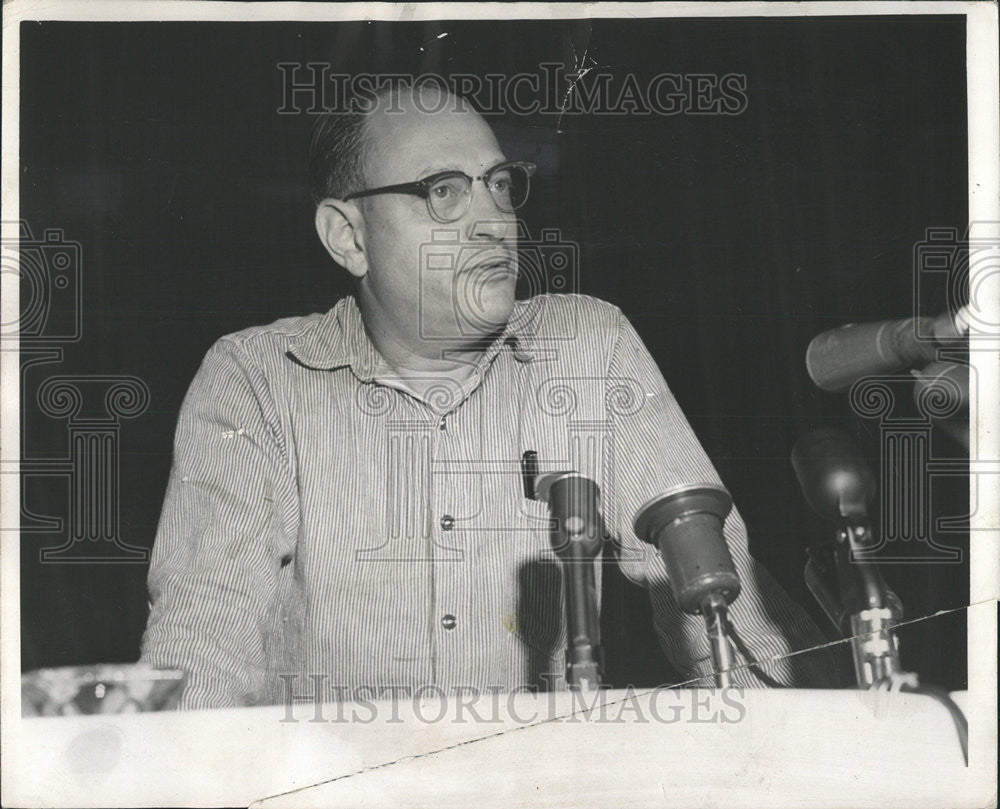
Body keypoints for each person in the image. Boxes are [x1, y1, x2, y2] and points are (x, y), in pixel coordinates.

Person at [140, 82, 835, 709]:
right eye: (444, 190)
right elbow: (202, 640)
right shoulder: (256, 378)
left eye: (499, 185)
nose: (492, 221)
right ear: (348, 237)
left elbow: (727, 617)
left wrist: (818, 751)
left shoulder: (587, 346)